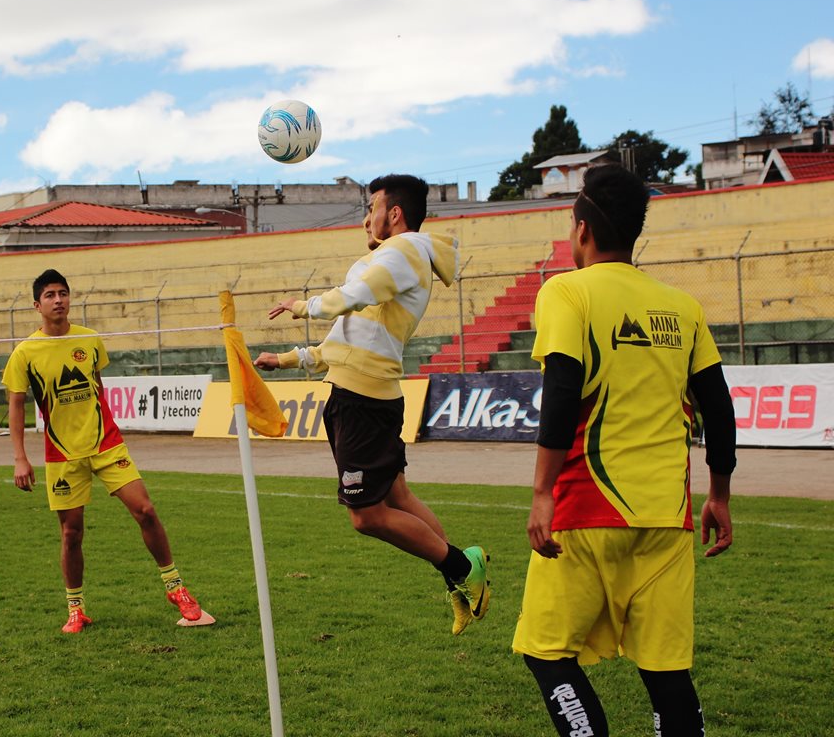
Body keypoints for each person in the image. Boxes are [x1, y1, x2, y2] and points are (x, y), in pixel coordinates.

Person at [511, 164, 736, 737]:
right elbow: (719, 408)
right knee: (666, 670)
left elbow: (562, 393)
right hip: (667, 520)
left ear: (582, 230)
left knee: (546, 653)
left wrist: (541, 492)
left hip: (585, 510)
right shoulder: (682, 308)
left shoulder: (565, 291)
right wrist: (720, 496)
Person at [253, 173, 491, 636]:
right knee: (398, 497)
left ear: (394, 213)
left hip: (363, 399)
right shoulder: (397, 257)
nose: (366, 219)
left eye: (371, 208)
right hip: (363, 393)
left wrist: (304, 305)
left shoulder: (402, 253)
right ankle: (460, 579)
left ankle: (463, 567)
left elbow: (353, 298)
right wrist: (286, 359)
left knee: (366, 516)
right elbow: (346, 339)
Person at [3, 268, 204, 633]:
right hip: (62, 454)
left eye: (63, 293)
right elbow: (15, 406)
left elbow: (98, 386)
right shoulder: (25, 352)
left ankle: (176, 588)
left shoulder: (90, 340)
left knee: (146, 510)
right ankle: (76, 608)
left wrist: (105, 427)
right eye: (50, 295)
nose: (58, 300)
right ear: (37, 305)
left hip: (107, 444)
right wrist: (20, 457)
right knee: (71, 534)